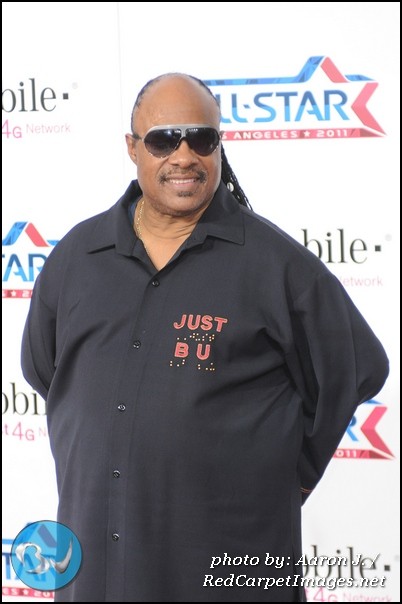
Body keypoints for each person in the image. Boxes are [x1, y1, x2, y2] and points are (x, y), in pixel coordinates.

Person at [21, 72, 389, 603]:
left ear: (220, 146)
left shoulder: (275, 265)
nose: (184, 155)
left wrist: (292, 476)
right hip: (98, 565)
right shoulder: (78, 257)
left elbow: (355, 369)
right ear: (132, 148)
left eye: (203, 138)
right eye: (164, 139)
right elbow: (47, 370)